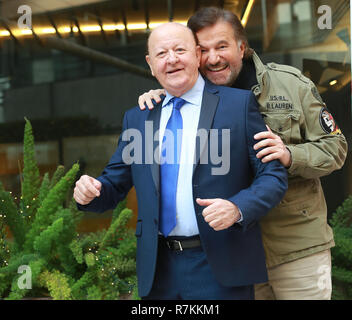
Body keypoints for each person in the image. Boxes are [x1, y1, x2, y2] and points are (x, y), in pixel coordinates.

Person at [137, 7, 348, 300]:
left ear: (242, 47)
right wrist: (159, 99)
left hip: (295, 247)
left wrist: (289, 155)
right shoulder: (185, 99)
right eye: (203, 49)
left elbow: (335, 148)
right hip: (232, 255)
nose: (213, 58)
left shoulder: (290, 84)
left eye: (222, 46)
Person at [74, 22, 288, 300]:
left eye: (180, 50)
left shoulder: (238, 105)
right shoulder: (138, 118)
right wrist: (90, 192)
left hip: (219, 265)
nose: (171, 59)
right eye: (162, 54)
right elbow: (113, 186)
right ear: (151, 65)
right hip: (158, 270)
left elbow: (273, 176)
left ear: (197, 55)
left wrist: (238, 208)